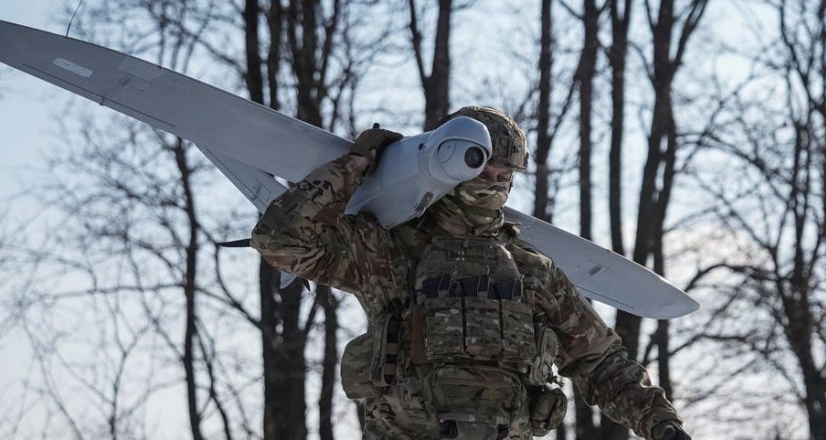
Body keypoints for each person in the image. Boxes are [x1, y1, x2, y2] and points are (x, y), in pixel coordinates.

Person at [251, 106, 690, 439]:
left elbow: (601, 364)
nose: (495, 182)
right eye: (484, 168)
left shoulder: (532, 271)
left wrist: (662, 424)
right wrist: (355, 168)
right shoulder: (386, 249)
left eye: (505, 174)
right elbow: (280, 240)